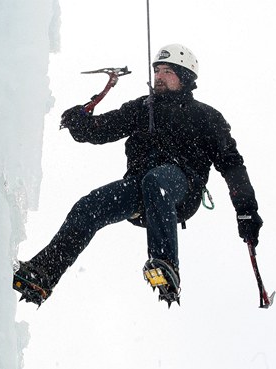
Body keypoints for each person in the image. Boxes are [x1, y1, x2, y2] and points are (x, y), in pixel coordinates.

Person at [13, 44, 263, 307]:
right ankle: (41, 275)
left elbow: (233, 166)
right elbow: (101, 130)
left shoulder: (206, 117)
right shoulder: (143, 108)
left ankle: (165, 265)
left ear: (186, 77)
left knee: (157, 180)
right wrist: (80, 122)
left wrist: (246, 211)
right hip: (140, 187)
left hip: (181, 187)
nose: (159, 76)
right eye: (157, 70)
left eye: (167, 71)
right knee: (88, 206)